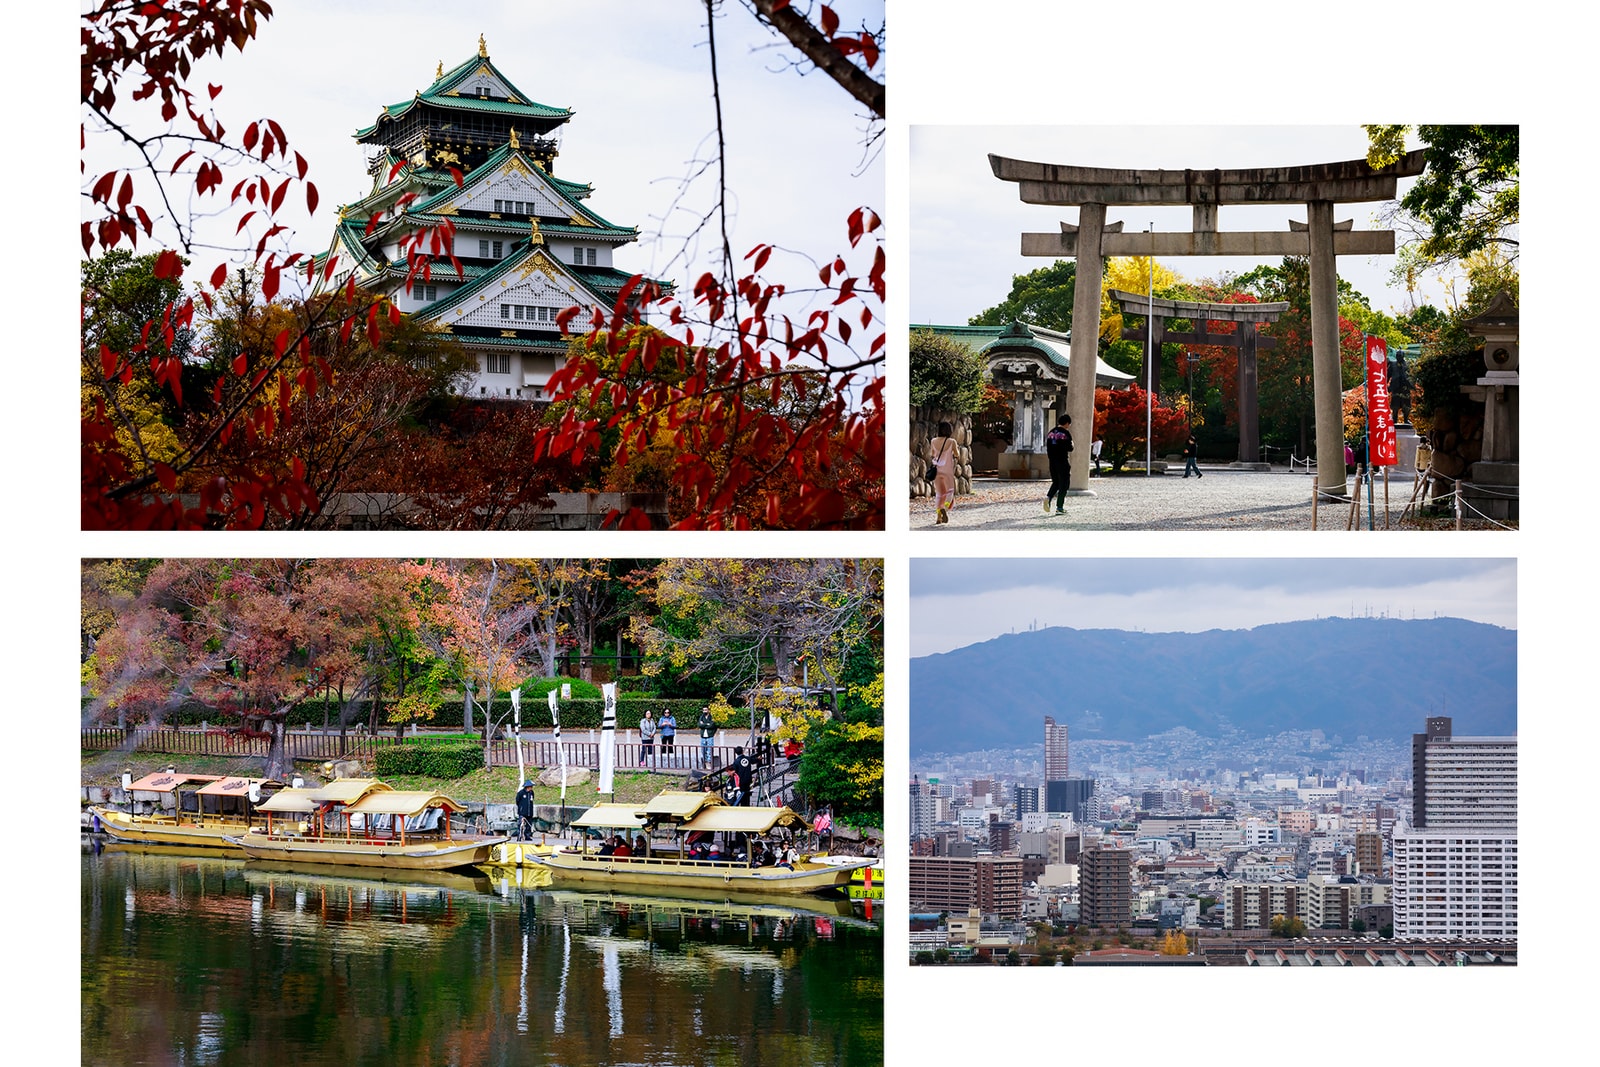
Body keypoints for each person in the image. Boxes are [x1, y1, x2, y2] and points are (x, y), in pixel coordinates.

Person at [928, 420, 958, 525]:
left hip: (937, 471)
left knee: (939, 494)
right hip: (947, 471)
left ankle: (938, 517)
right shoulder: (951, 442)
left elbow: (932, 454)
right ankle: (944, 509)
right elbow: (957, 454)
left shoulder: (933, 441)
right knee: (950, 492)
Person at [1044, 414, 1073, 513]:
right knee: (1064, 484)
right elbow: (1070, 448)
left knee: (1056, 482)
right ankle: (1059, 507)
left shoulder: (1051, 433)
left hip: (1052, 462)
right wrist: (1072, 444)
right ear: (1067, 423)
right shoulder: (1065, 433)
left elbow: (1048, 447)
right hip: (1062, 461)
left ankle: (1048, 497)